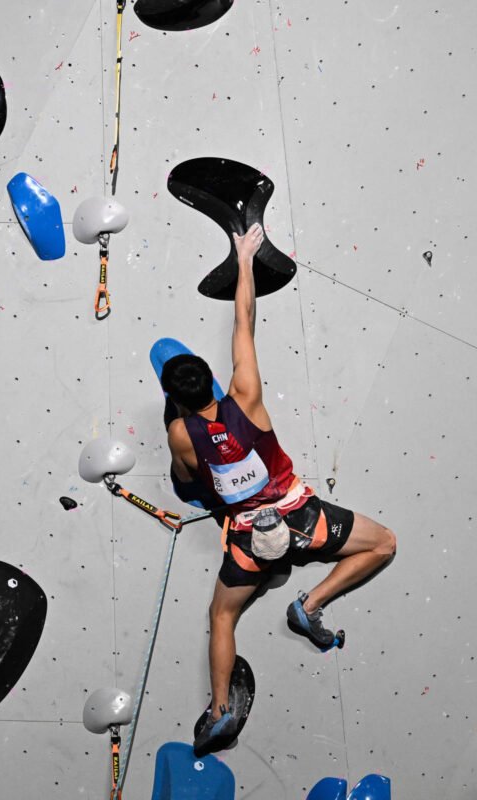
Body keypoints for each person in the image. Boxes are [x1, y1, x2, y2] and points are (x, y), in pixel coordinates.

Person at [161, 223, 397, 756]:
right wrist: (244, 256)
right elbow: (244, 318)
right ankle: (310, 605)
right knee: (383, 542)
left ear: (174, 400)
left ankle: (220, 711)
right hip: (300, 519)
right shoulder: (246, 396)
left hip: (247, 540)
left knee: (222, 617)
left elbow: (188, 482)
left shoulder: (179, 434)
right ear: (211, 378)